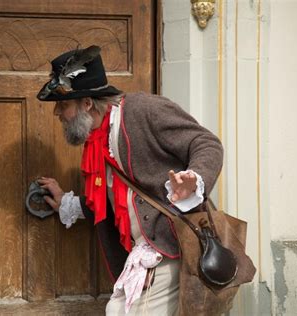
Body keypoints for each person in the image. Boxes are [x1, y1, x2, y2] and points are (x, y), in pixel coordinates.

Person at [36, 45, 223, 315]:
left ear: (87, 103)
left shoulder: (144, 110)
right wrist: (69, 204)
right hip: (145, 253)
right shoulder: (97, 139)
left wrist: (195, 178)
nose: (58, 114)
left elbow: (206, 143)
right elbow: (112, 198)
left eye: (63, 105)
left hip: (172, 246)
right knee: (116, 311)